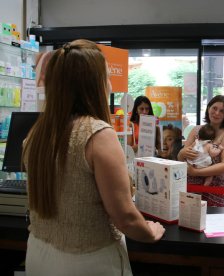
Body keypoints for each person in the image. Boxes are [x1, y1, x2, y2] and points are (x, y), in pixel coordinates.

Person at [22, 39, 165, 276]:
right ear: (91, 84)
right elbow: (125, 217)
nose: (109, 84)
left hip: (38, 254)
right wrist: (150, 232)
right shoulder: (98, 135)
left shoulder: (37, 132)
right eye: (106, 77)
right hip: (88, 261)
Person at [177, 95, 224, 207]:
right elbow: (182, 157)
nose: (217, 113)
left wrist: (196, 172)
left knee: (211, 221)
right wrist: (181, 153)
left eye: (222, 111)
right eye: (214, 108)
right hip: (190, 186)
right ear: (208, 108)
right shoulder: (196, 130)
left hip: (213, 190)